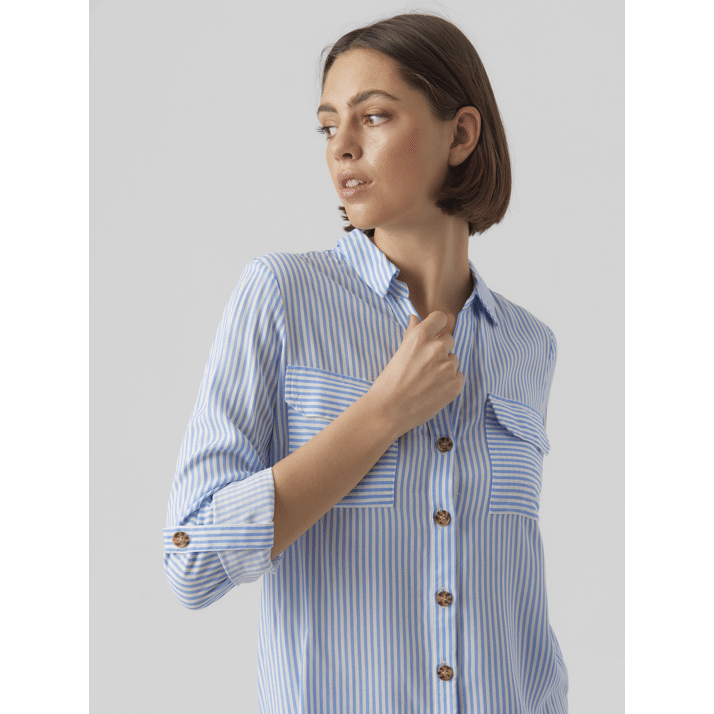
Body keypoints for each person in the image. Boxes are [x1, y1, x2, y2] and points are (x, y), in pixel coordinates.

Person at [163, 12, 568, 713]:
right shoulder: (282, 296)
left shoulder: (527, 344)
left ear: (460, 135)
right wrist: (382, 413)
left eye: (373, 116)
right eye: (328, 127)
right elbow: (191, 559)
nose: (342, 147)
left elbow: (519, 598)